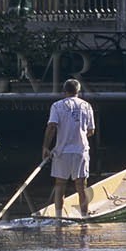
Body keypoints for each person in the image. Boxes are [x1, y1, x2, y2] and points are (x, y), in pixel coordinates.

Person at [42, 78, 95, 219]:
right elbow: (91, 131)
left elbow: (52, 126)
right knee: (81, 186)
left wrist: (46, 147)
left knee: (60, 185)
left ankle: (58, 217)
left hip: (62, 151)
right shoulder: (87, 106)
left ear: (64, 91)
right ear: (78, 91)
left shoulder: (57, 106)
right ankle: (84, 216)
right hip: (80, 151)